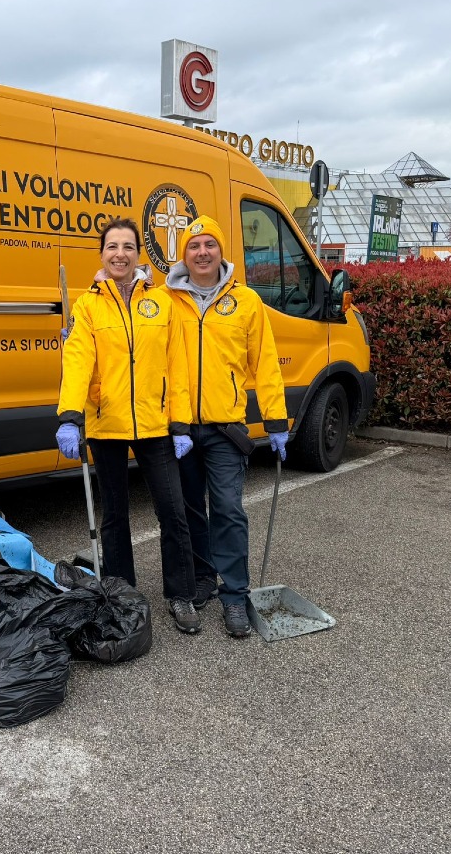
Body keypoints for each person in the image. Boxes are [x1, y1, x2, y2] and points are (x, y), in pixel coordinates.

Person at [55, 217, 201, 633]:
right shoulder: (88, 305)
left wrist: (181, 424)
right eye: (112, 246)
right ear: (102, 254)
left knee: (173, 511)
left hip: (156, 424)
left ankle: (182, 595)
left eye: (128, 246)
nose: (120, 253)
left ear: (139, 254)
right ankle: (122, 595)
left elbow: (176, 366)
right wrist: (70, 416)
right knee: (115, 516)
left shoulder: (162, 303)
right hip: (107, 424)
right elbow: (78, 361)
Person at [165, 215, 290, 638]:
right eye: (194, 245)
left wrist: (276, 420)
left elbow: (265, 364)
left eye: (209, 244)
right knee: (187, 511)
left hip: (224, 429)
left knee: (228, 510)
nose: (202, 252)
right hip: (179, 429)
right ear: (184, 254)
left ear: (222, 251)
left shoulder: (247, 301)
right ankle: (202, 579)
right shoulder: (166, 300)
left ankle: (234, 594)